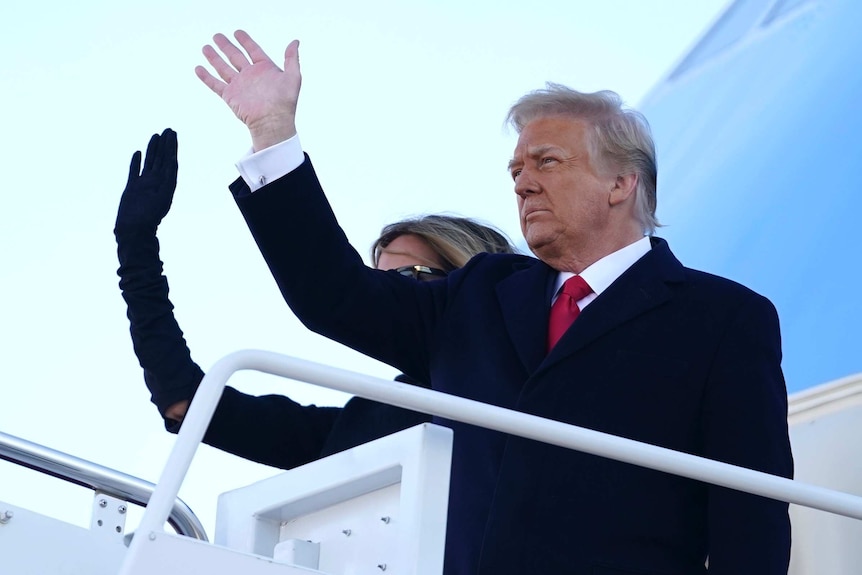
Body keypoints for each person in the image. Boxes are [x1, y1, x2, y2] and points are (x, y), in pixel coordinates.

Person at [192, 31, 793, 575]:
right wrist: (274, 135)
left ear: (621, 182)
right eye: (516, 170)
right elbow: (334, 296)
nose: (523, 183)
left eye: (547, 162)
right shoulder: (478, 293)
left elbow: (751, 522)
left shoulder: (723, 319)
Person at [114, 128, 517, 467]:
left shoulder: (536, 381)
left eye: (409, 277)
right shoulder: (361, 423)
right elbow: (185, 400)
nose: (386, 294)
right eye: (377, 280)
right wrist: (137, 250)